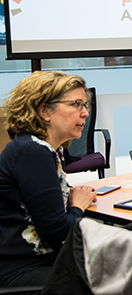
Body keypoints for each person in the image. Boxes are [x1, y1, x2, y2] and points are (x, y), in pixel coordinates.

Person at [0, 71, 97, 290]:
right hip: (19, 270)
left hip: (38, 261)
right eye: (76, 104)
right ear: (44, 110)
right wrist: (78, 207)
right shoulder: (32, 152)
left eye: (85, 106)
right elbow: (57, 231)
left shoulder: (42, 148)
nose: (85, 113)